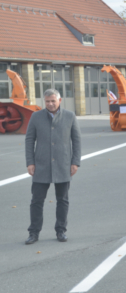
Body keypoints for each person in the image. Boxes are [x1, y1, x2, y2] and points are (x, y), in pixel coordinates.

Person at [24, 89, 81, 245]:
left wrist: (75, 161)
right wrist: (30, 162)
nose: (50, 104)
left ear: (59, 100)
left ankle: (61, 230)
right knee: (36, 201)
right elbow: (29, 140)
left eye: (53, 101)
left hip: (63, 165)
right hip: (41, 165)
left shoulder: (69, 116)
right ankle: (33, 233)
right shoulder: (36, 117)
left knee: (62, 199)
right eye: (47, 101)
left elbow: (76, 141)